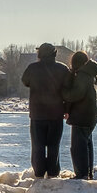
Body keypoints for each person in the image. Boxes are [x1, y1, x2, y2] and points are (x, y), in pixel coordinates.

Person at [21, 42, 71, 179]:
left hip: (37, 114)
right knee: (54, 145)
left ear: (40, 54)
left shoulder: (32, 68)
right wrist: (67, 109)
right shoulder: (62, 69)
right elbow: (67, 91)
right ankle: (53, 173)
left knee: (38, 145)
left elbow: (25, 81)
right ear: (54, 54)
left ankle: (38, 173)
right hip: (56, 113)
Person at [62, 49, 97, 180]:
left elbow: (76, 94)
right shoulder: (92, 73)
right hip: (91, 114)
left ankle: (81, 174)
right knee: (87, 144)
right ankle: (88, 173)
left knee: (78, 147)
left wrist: (64, 93)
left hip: (82, 115)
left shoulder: (83, 75)